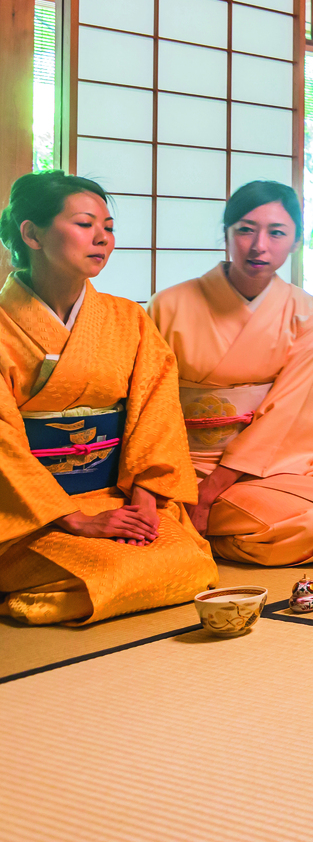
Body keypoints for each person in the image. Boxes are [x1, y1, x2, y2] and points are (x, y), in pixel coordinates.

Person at [147, 182, 313, 566]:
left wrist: (216, 489)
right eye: (246, 230)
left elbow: (290, 409)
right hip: (193, 462)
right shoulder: (169, 305)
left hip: (284, 458)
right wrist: (184, 485)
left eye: (277, 233)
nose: (259, 245)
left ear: (296, 242)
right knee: (302, 524)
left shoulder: (307, 311)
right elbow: (150, 402)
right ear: (226, 234)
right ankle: (202, 524)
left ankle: (206, 527)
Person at [0, 172, 215, 624]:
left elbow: (156, 413)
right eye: (84, 223)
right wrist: (73, 519)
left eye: (109, 226)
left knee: (189, 562)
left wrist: (146, 498)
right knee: (110, 569)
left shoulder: (128, 320)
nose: (102, 237)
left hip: (114, 499)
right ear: (31, 233)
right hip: (28, 514)